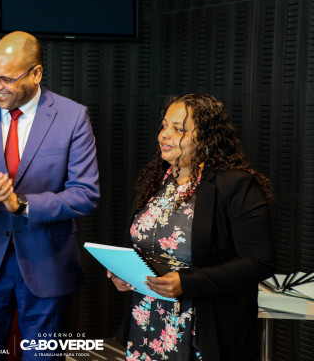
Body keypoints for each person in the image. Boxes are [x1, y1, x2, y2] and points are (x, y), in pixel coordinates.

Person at [0, 31, 100, 359]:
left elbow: (86, 194)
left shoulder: (72, 117)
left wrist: (22, 204)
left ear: (36, 73)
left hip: (48, 265)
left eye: (6, 78)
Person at [108, 93, 275, 361]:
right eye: (164, 126)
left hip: (204, 328)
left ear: (207, 137)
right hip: (147, 321)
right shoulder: (155, 180)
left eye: (179, 129)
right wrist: (123, 272)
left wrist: (187, 282)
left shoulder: (235, 185)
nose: (165, 135)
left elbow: (259, 261)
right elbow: (142, 243)